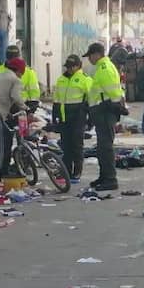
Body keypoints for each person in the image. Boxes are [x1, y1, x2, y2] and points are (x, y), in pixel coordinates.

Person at [83, 42, 124, 191]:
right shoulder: (102, 67)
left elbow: (113, 92)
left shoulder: (105, 68)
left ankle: (110, 179)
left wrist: (114, 106)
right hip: (102, 111)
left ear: (96, 54)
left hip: (106, 111)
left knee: (106, 147)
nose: (89, 60)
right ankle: (104, 176)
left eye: (89, 56)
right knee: (101, 147)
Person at [53, 54, 91, 182]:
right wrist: (55, 117)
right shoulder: (61, 79)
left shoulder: (84, 79)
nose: (69, 69)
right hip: (64, 117)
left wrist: (89, 118)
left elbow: (91, 99)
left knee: (77, 145)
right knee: (66, 146)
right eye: (68, 67)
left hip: (78, 117)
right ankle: (66, 171)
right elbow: (56, 99)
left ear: (78, 66)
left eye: (72, 67)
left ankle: (77, 171)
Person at [0, 45, 40, 111]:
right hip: (6, 107)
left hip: (23, 107)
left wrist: (31, 109)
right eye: (11, 58)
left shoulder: (28, 71)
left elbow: (34, 93)